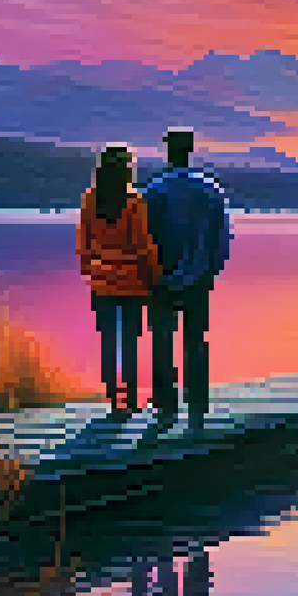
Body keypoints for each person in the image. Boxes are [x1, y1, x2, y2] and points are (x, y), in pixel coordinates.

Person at [141, 127, 233, 431]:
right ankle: (197, 407)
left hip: (161, 283)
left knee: (162, 344)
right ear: (190, 150)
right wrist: (210, 272)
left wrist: (150, 276)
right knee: (196, 343)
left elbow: (144, 240)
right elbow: (222, 239)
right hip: (199, 282)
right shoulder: (210, 190)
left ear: (169, 151)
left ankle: (166, 411)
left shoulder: (154, 191)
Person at [76, 143, 162, 414]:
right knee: (130, 342)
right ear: (127, 170)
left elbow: (83, 240)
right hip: (132, 282)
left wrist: (89, 270)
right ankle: (132, 399)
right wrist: (154, 275)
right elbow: (142, 244)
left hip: (101, 280)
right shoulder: (134, 201)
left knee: (107, 341)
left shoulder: (90, 199)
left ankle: (114, 400)